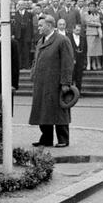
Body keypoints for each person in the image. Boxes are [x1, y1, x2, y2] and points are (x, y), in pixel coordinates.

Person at [29, 14, 75, 148]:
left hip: (56, 84)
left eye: (40, 25)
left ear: (49, 26)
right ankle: (46, 139)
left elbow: (67, 63)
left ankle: (63, 139)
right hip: (41, 83)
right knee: (43, 111)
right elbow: (36, 59)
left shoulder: (62, 40)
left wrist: (66, 83)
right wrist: (33, 73)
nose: (38, 28)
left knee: (59, 111)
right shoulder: (40, 41)